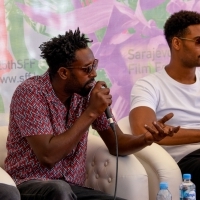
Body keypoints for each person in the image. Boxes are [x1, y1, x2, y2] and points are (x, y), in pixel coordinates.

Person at [4, 28, 178, 200]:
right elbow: (48, 156)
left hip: (74, 189)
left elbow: (118, 144)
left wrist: (147, 138)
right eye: (87, 69)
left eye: (94, 65)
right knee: (59, 189)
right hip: (30, 186)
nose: (94, 73)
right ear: (64, 72)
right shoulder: (30, 93)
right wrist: (92, 111)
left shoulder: (87, 94)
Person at [129, 10, 200, 200]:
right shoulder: (149, 85)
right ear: (177, 43)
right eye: (198, 42)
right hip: (187, 161)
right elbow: (143, 130)